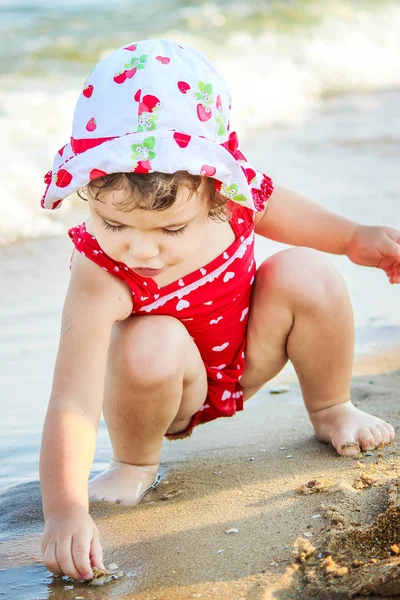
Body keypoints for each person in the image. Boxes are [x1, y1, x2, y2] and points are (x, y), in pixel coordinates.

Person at [39, 38, 399, 582]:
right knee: (149, 338)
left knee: (308, 271)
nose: (139, 250)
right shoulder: (100, 275)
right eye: (114, 224)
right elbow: (73, 400)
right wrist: (64, 510)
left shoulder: (238, 198)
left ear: (215, 193)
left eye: (170, 229)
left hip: (247, 357)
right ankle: (135, 462)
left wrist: (353, 237)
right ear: (89, 188)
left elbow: (305, 220)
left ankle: (331, 407)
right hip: (166, 390)